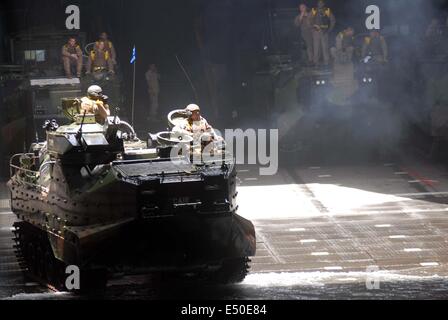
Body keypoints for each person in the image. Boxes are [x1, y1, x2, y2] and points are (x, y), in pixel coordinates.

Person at [310, 0, 336, 66]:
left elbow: (333, 20)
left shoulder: (327, 10)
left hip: (324, 32)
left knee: (325, 48)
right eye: (319, 2)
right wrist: (312, 28)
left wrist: (329, 30)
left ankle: (326, 63)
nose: (320, 4)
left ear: (323, 4)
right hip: (316, 32)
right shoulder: (314, 10)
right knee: (316, 48)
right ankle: (316, 63)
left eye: (321, 3)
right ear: (317, 3)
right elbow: (309, 19)